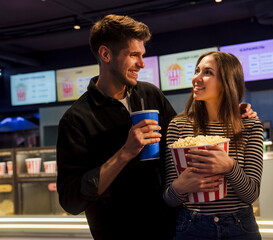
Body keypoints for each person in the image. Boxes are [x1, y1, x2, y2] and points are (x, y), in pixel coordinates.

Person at [56, 14, 258, 240]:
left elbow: (186, 135)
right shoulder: (76, 119)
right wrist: (125, 152)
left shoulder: (149, 94)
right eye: (134, 55)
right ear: (106, 54)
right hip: (117, 231)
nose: (142, 63)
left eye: (142, 55)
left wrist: (229, 112)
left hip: (169, 228)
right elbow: (71, 200)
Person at [163, 51, 263, 240]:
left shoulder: (250, 126)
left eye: (207, 72)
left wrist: (229, 167)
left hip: (240, 227)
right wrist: (180, 187)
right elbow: (169, 198)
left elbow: (251, 194)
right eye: (197, 70)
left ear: (227, 82)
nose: (196, 78)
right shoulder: (179, 125)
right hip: (192, 227)